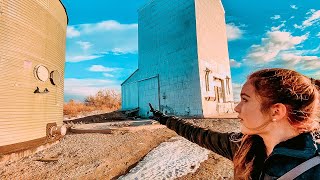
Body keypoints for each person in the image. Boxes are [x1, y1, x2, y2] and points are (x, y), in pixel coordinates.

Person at [149, 68, 320, 180]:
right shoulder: (243, 146)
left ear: (276, 111)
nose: (236, 108)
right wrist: (164, 119)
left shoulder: (314, 168)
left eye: (245, 100)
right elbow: (199, 135)